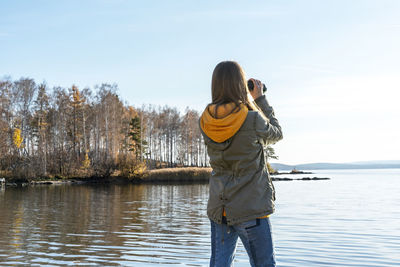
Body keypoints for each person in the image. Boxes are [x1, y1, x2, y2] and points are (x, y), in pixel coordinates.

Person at [199, 61, 283, 267]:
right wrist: (260, 98)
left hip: (220, 209)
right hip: (251, 209)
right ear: (241, 85)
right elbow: (276, 133)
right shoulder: (252, 118)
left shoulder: (206, 120)